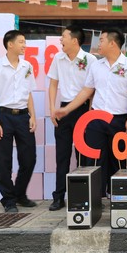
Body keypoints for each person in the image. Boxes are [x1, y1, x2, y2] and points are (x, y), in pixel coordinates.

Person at [54, 28, 127, 197]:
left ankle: (118, 196)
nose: (98, 44)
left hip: (119, 119)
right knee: (94, 159)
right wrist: (67, 109)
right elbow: (87, 91)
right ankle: (96, 196)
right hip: (96, 118)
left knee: (118, 159)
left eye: (101, 40)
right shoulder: (96, 65)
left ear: (112, 43)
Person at [0, 30, 37, 213]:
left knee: (29, 158)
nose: (24, 45)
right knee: (3, 160)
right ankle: (8, 200)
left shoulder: (27, 66)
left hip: (23, 116)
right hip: (3, 116)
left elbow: (28, 93)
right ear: (10, 44)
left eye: (25, 41)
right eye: (21, 42)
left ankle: (19, 193)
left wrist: (33, 116)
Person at [47, 26, 97, 211]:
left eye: (63, 37)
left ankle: (83, 197)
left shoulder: (90, 60)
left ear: (75, 40)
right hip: (63, 110)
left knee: (83, 156)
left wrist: (90, 113)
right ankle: (59, 197)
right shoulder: (58, 58)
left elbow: (92, 89)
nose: (60, 40)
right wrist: (52, 109)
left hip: (83, 110)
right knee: (62, 156)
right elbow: (53, 84)